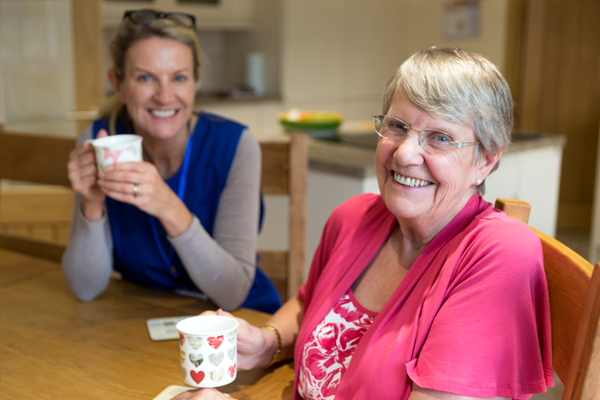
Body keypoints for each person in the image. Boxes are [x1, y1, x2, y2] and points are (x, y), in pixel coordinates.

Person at [173, 47, 554, 400]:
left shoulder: (500, 255)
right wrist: (268, 341)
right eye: (398, 126)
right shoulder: (354, 217)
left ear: (487, 159)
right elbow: (311, 304)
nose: (405, 154)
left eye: (439, 138)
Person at [62, 9, 282, 314]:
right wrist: (92, 205)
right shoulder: (101, 140)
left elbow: (232, 294)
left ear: (195, 83)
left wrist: (169, 207)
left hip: (237, 324)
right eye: (146, 78)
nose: (165, 97)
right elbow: (86, 288)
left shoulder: (235, 146)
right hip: (142, 315)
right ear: (119, 84)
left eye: (179, 77)